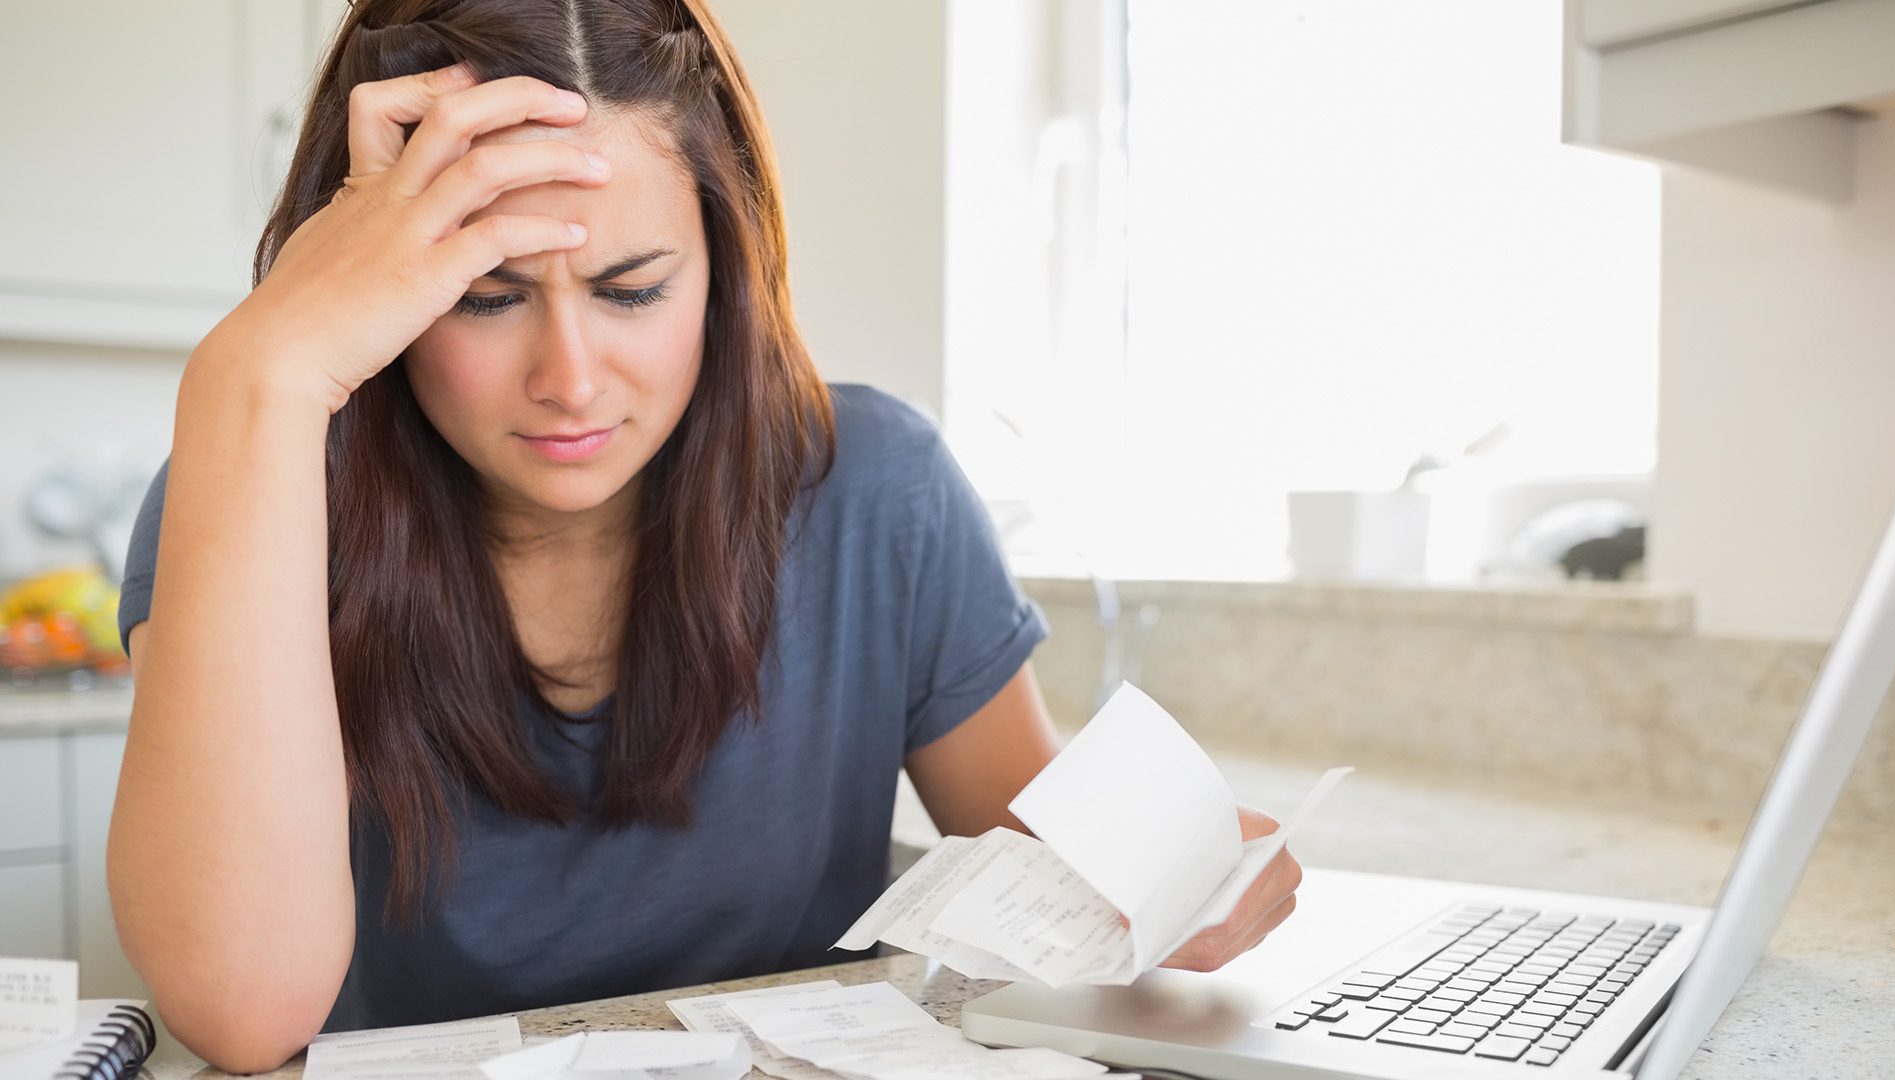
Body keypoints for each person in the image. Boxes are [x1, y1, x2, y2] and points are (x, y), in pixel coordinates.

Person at [107, 1, 1305, 1072]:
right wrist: (253, 368)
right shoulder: (256, 483)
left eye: (633, 291)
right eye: (484, 296)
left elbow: (1048, 868)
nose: (570, 381)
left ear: (724, 269)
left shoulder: (875, 488)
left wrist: (1173, 878)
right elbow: (242, 1013)